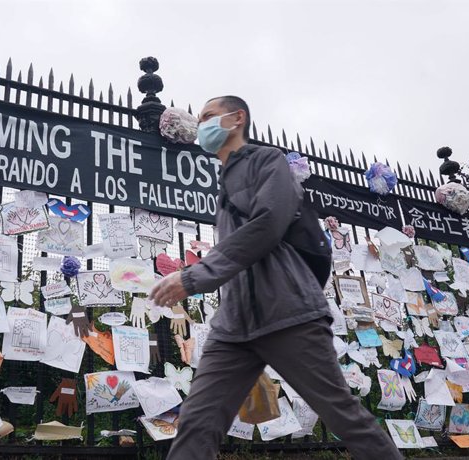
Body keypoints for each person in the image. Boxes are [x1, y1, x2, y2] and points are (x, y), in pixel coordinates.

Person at [149, 96, 403, 460]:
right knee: (197, 422)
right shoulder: (225, 183)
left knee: (341, 414)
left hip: (288, 313)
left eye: (208, 116)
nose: (201, 123)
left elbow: (267, 225)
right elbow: (239, 252)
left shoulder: (267, 161)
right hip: (233, 327)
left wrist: (193, 278)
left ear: (237, 118)